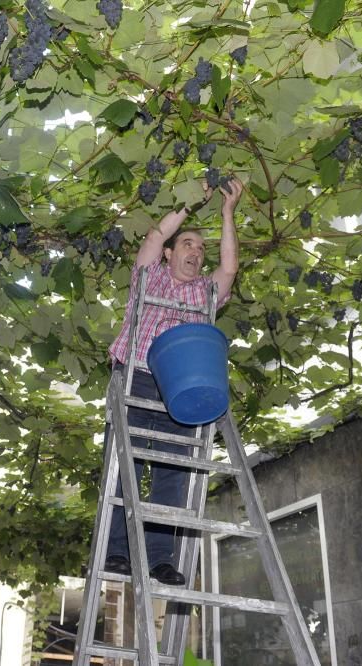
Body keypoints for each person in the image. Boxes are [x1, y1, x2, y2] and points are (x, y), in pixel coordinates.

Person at [104, 177, 243, 586]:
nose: (196, 253)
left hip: (178, 390)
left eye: (201, 248)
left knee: (173, 473)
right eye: (188, 244)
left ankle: (159, 558)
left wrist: (227, 211)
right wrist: (191, 199)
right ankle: (116, 552)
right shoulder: (149, 277)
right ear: (168, 254)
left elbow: (230, 267)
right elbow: (154, 233)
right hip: (136, 380)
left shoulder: (205, 293)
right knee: (121, 468)